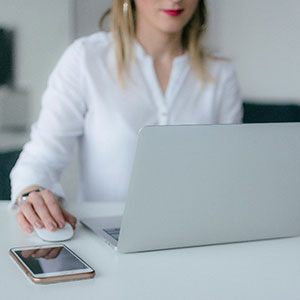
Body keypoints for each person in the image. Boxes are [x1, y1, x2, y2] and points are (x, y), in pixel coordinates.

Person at [10, 0, 243, 234]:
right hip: (108, 236)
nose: (175, 0)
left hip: (196, 234)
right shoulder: (86, 59)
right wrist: (32, 193)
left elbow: (230, 173)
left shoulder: (220, 73)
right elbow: (41, 158)